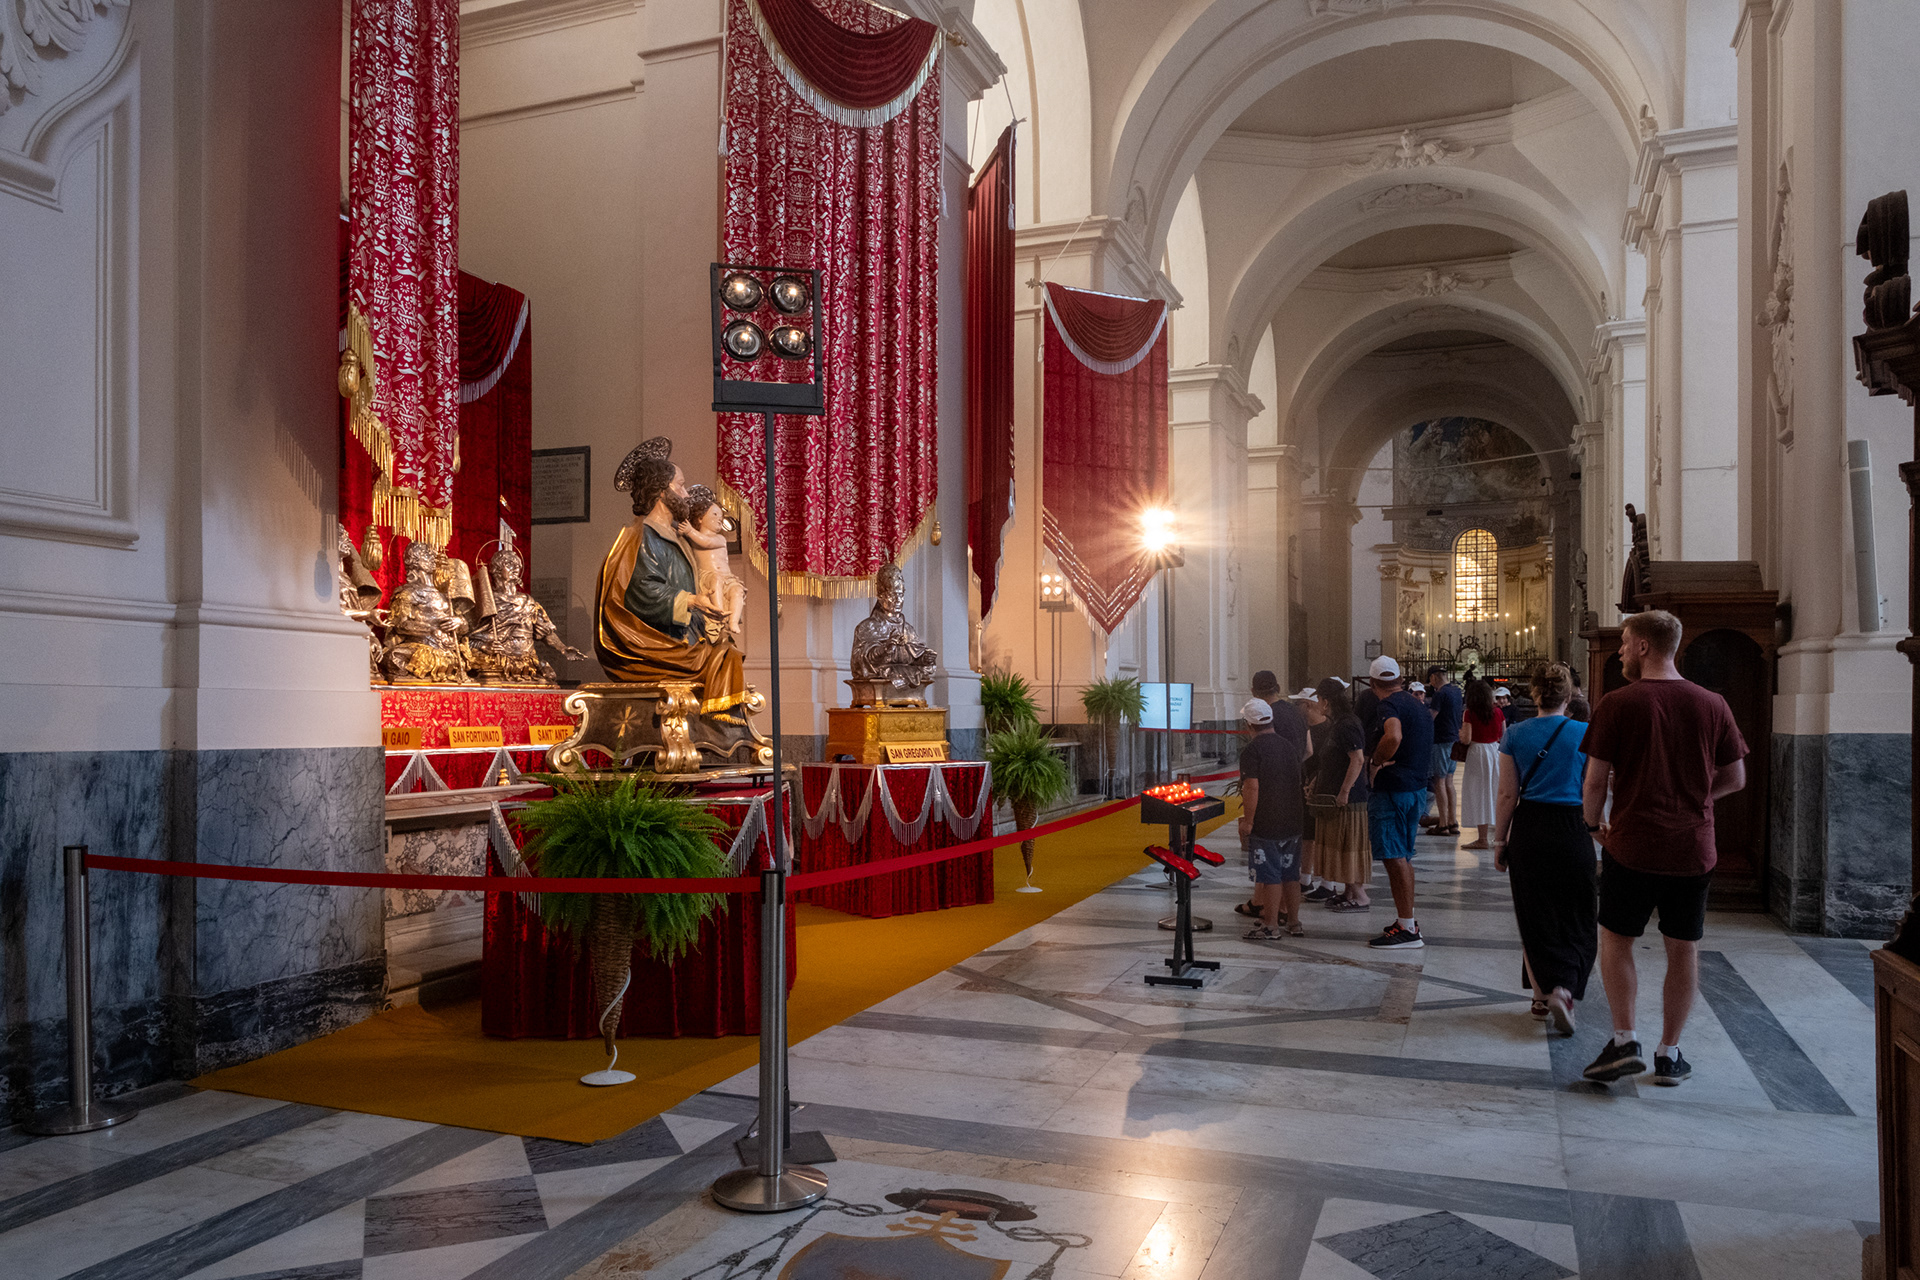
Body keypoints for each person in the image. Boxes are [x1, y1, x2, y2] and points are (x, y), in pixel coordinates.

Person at [1580, 610, 1748, 1086]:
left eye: (1624, 642)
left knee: (1617, 940)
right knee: (1683, 948)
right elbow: (1736, 777)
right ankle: (1670, 1054)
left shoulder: (1617, 703)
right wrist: (1695, 798)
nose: (1619, 650)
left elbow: (1594, 782)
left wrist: (1592, 826)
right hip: (1692, 848)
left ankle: (1624, 1040)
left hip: (1632, 844)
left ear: (1644, 646)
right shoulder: (1713, 703)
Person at [1492, 663, 1593, 1036]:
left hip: (1530, 828)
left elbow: (1507, 794)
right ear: (1569, 696)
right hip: (1573, 826)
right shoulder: (1585, 733)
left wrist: (1500, 841)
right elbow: (1594, 787)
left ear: (1533, 694)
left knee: (1534, 915)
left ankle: (1539, 996)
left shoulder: (1515, 734)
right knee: (1577, 913)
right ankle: (1562, 990)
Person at [1363, 655, 1432, 947]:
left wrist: (1376, 762)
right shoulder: (1417, 705)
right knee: (1403, 856)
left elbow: (1393, 736)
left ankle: (1407, 930)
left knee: (1394, 857)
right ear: (1400, 680)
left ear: (1372, 683)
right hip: (1415, 788)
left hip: (1393, 790)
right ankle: (1407, 920)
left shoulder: (1388, 705)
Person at [1237, 696, 1307, 939]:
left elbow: (1252, 787)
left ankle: (1270, 925)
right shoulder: (1288, 746)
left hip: (1268, 822)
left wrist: (1248, 821)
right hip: (1293, 820)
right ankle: (1294, 922)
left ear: (1249, 724)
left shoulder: (1252, 750)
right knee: (1291, 873)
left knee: (1270, 875)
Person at [1308, 677, 1372, 910]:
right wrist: (1317, 781)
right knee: (1341, 845)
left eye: (1318, 699)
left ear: (1326, 701)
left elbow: (1357, 759)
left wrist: (1344, 791)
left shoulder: (1347, 724)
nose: (1317, 704)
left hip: (1347, 800)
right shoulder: (1338, 723)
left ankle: (1360, 896)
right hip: (1335, 798)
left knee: (1348, 845)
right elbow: (1332, 759)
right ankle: (1349, 892)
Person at [1458, 677, 1505, 850]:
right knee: (1495, 790)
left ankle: (1482, 838)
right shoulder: (1498, 712)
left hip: (1477, 752)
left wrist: (1460, 734)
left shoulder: (1469, 713)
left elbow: (1466, 739)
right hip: (1494, 751)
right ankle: (1501, 837)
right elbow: (1503, 734)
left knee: (1479, 792)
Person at [1425, 665, 1464, 838]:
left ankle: (1443, 824)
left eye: (1430, 680)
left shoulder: (1440, 694)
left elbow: (1431, 718)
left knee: (1439, 781)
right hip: (1453, 739)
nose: (1431, 683)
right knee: (1449, 781)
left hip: (1441, 740)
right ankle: (1452, 821)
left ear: (1434, 677)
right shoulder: (1456, 691)